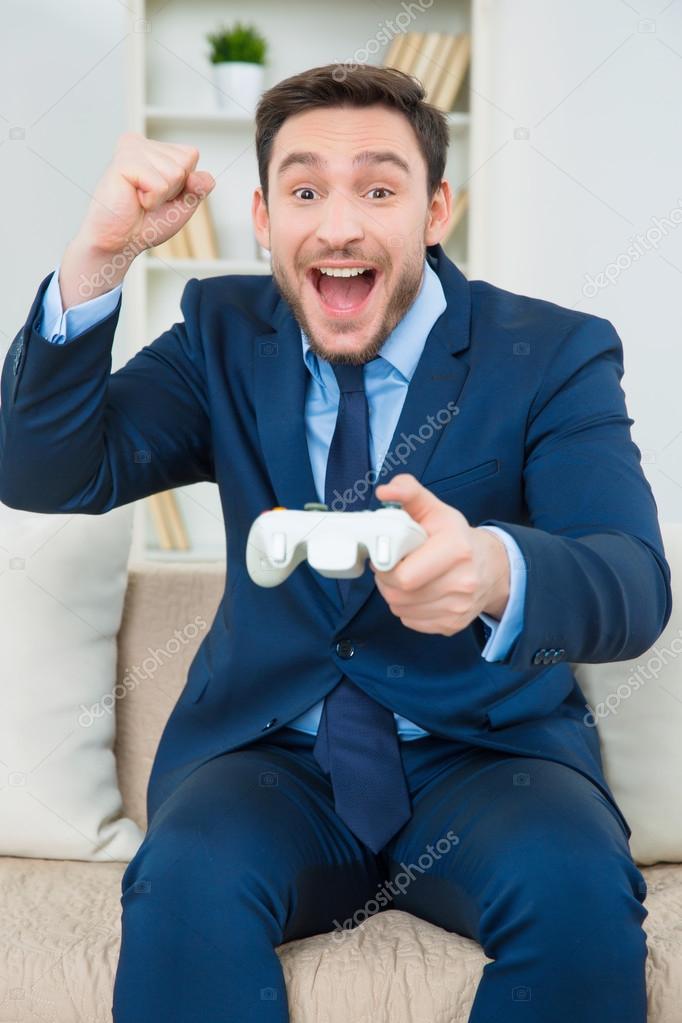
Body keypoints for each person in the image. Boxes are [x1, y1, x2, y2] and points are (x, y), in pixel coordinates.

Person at [0, 64, 671, 1023]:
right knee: (185, 877)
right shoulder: (220, 335)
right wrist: (98, 256)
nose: (341, 226)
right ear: (266, 218)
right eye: (306, 190)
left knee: (576, 889)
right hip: (270, 755)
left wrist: (494, 569)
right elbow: (42, 471)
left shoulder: (552, 353)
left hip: (486, 755)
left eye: (381, 189)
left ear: (437, 209)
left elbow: (632, 579)